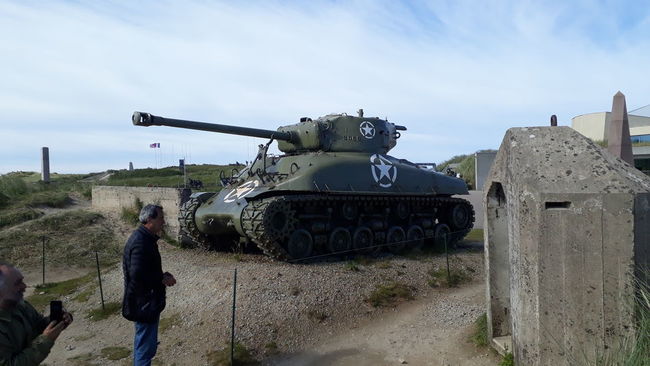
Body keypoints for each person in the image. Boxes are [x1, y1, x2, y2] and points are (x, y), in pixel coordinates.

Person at [122, 204, 177, 366]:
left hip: (145, 302)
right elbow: (137, 274)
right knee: (144, 350)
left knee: (145, 345)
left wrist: (161, 275)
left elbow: (144, 270)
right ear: (149, 220)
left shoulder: (144, 238)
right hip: (144, 303)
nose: (164, 222)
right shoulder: (141, 242)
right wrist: (161, 279)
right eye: (160, 218)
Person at [0, 262, 73, 365]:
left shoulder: (21, 305)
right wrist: (45, 340)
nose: (24, 286)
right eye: (17, 283)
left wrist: (56, 321)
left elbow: (37, 326)